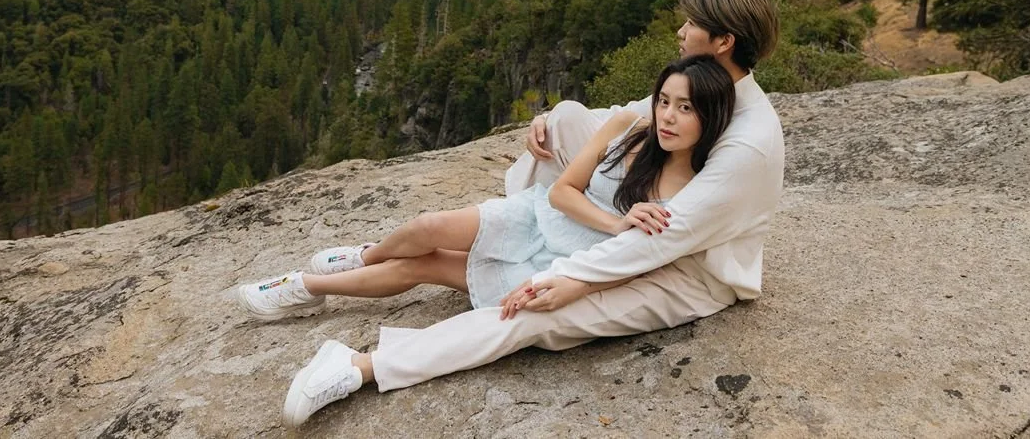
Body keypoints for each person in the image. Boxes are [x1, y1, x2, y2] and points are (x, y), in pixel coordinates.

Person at [277, 0, 784, 428]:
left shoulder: (748, 144)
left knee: (536, 315)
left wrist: (565, 281)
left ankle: (358, 365)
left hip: (687, 269)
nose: (681, 29)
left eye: (693, 23)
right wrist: (550, 121)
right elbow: (633, 114)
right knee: (566, 117)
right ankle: (523, 234)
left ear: (723, 41)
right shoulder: (708, 89)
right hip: (644, 227)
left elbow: (664, 236)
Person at [233, 55, 733, 322]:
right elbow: (562, 191)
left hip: (556, 263)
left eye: (685, 108)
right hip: (542, 214)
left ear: (707, 118)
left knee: (422, 266)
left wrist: (609, 239)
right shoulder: (627, 124)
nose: (668, 115)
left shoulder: (693, 191)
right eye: (665, 100)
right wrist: (615, 218)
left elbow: (636, 261)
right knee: (430, 226)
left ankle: (304, 287)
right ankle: (365, 257)